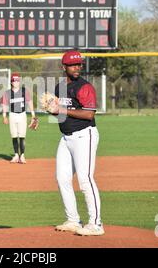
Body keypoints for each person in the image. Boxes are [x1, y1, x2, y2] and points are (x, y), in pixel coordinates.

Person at [45, 50, 104, 236]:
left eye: (79, 64)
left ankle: (96, 224)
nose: (77, 67)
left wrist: (60, 108)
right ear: (64, 67)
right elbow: (60, 115)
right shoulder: (59, 87)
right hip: (66, 137)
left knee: (85, 179)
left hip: (84, 136)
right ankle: (73, 220)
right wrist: (50, 110)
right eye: (73, 64)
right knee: (62, 178)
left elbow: (89, 114)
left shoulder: (85, 87)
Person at [0, 73, 37, 164]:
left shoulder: (24, 91)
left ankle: (22, 155)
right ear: (11, 82)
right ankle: (16, 155)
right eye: (14, 80)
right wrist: (4, 116)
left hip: (22, 115)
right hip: (12, 115)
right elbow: (4, 104)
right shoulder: (7, 93)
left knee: (22, 136)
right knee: (14, 136)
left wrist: (33, 115)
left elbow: (29, 102)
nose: (16, 82)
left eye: (17, 80)